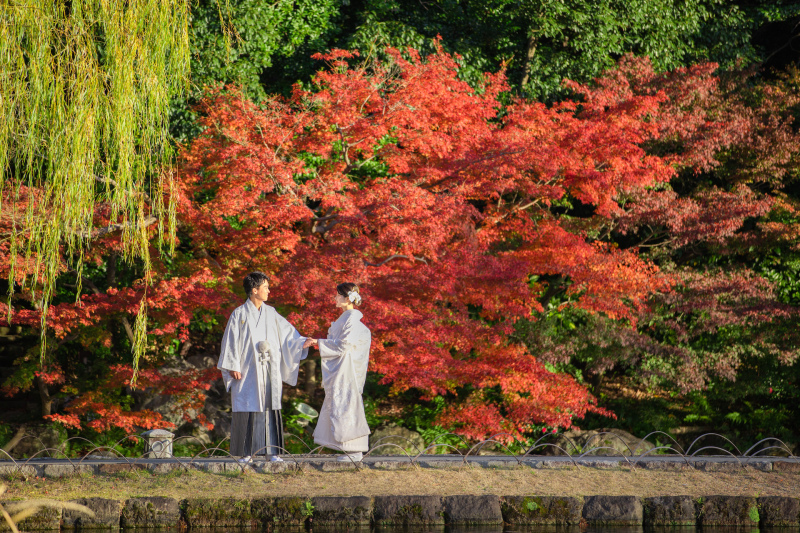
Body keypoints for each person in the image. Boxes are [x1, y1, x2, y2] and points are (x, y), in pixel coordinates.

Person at [218, 272, 308, 463]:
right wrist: (232, 365)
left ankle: (272, 452)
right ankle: (246, 453)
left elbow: (288, 334)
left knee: (270, 406)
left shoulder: (271, 313)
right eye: (265, 287)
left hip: (269, 368)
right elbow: (230, 341)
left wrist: (300, 342)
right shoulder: (239, 314)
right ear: (254, 290)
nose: (268, 290)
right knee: (247, 407)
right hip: (247, 370)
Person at [304, 283, 372, 462]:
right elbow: (338, 343)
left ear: (347, 298)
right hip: (341, 370)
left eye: (337, 295)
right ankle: (348, 448)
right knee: (340, 406)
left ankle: (355, 450)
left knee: (348, 406)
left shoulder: (352, 322)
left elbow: (343, 345)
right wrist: (319, 343)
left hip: (347, 372)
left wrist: (318, 343)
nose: (334, 298)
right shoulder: (346, 319)